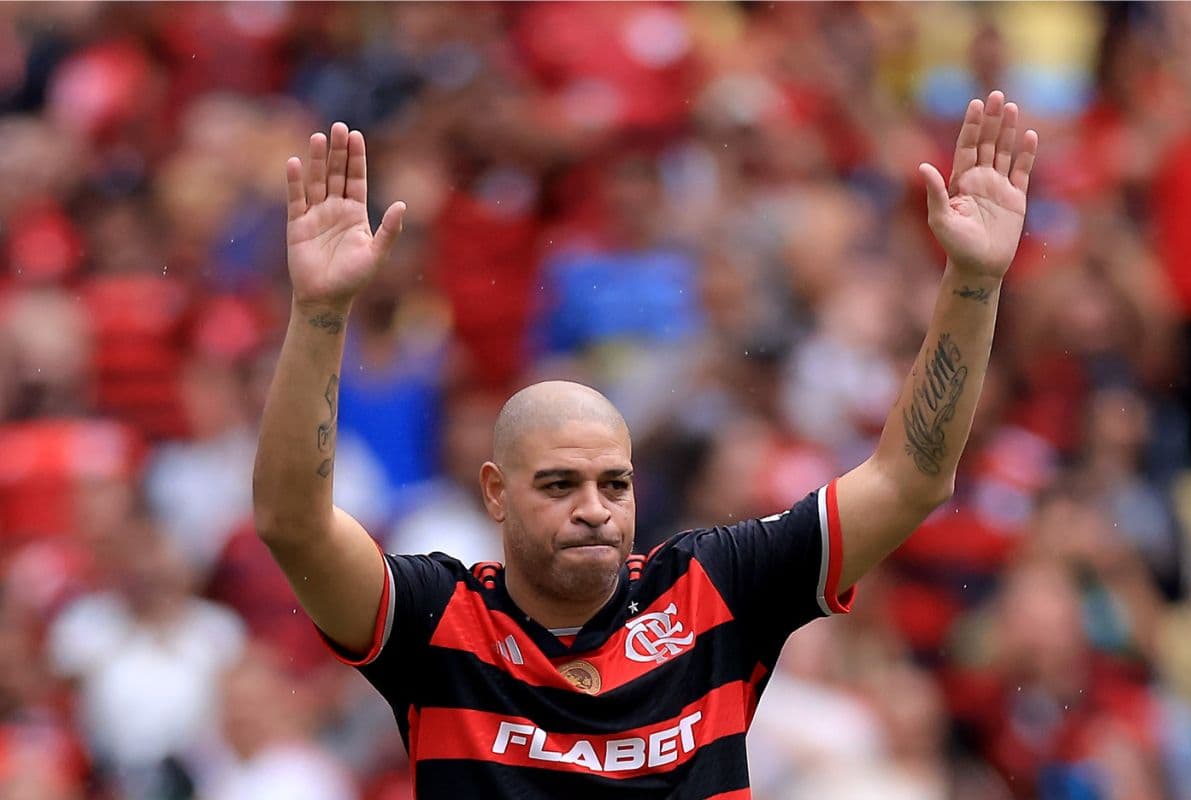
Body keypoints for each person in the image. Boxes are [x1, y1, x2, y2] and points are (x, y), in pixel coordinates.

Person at [252, 90, 1037, 797]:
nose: (595, 510)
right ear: (494, 492)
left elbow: (909, 481)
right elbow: (294, 523)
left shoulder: (715, 590)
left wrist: (972, 282)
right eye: (559, 485)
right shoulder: (438, 618)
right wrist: (321, 313)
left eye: (614, 485)